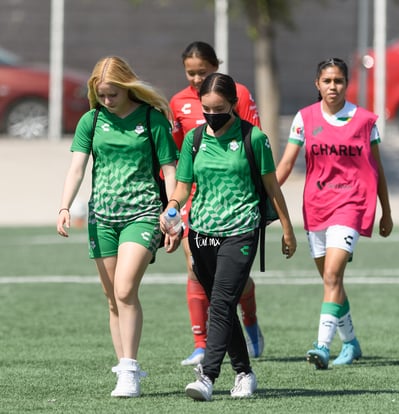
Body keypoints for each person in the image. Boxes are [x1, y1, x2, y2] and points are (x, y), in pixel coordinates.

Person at [161, 72, 297, 400]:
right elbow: (182, 186)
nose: (211, 114)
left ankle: (207, 376)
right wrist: (172, 209)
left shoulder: (255, 139)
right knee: (222, 306)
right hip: (201, 233)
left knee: (221, 302)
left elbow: (271, 186)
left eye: (218, 108)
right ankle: (245, 373)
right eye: (206, 108)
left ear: (234, 105)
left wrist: (288, 228)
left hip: (241, 231)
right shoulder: (194, 140)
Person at [56, 56, 179, 397]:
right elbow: (77, 168)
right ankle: (124, 368)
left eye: (112, 94)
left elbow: (170, 171)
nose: (107, 100)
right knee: (113, 299)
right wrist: (65, 205)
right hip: (102, 217)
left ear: (127, 87)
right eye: (102, 94)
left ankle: (130, 369)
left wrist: (172, 214)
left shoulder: (152, 119)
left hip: (142, 213)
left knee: (125, 290)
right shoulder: (91, 121)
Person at [276, 57, 393, 369]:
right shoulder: (304, 118)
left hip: (352, 204)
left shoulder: (365, 120)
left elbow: (377, 168)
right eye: (327, 81)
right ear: (318, 84)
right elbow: (287, 164)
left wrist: (387, 212)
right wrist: (266, 191)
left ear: (346, 84)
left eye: (338, 81)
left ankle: (322, 346)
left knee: (332, 275)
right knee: (332, 283)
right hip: (316, 206)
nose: (333, 86)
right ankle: (351, 343)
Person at [170, 41, 264, 366]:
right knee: (196, 268)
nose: (197, 79)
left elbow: (254, 141)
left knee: (231, 280)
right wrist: (171, 202)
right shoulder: (178, 103)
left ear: (216, 67)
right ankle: (201, 342)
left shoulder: (238, 93)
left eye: (204, 72)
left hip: (234, 198)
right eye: (191, 73)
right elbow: (180, 154)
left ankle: (249, 318)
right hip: (195, 196)